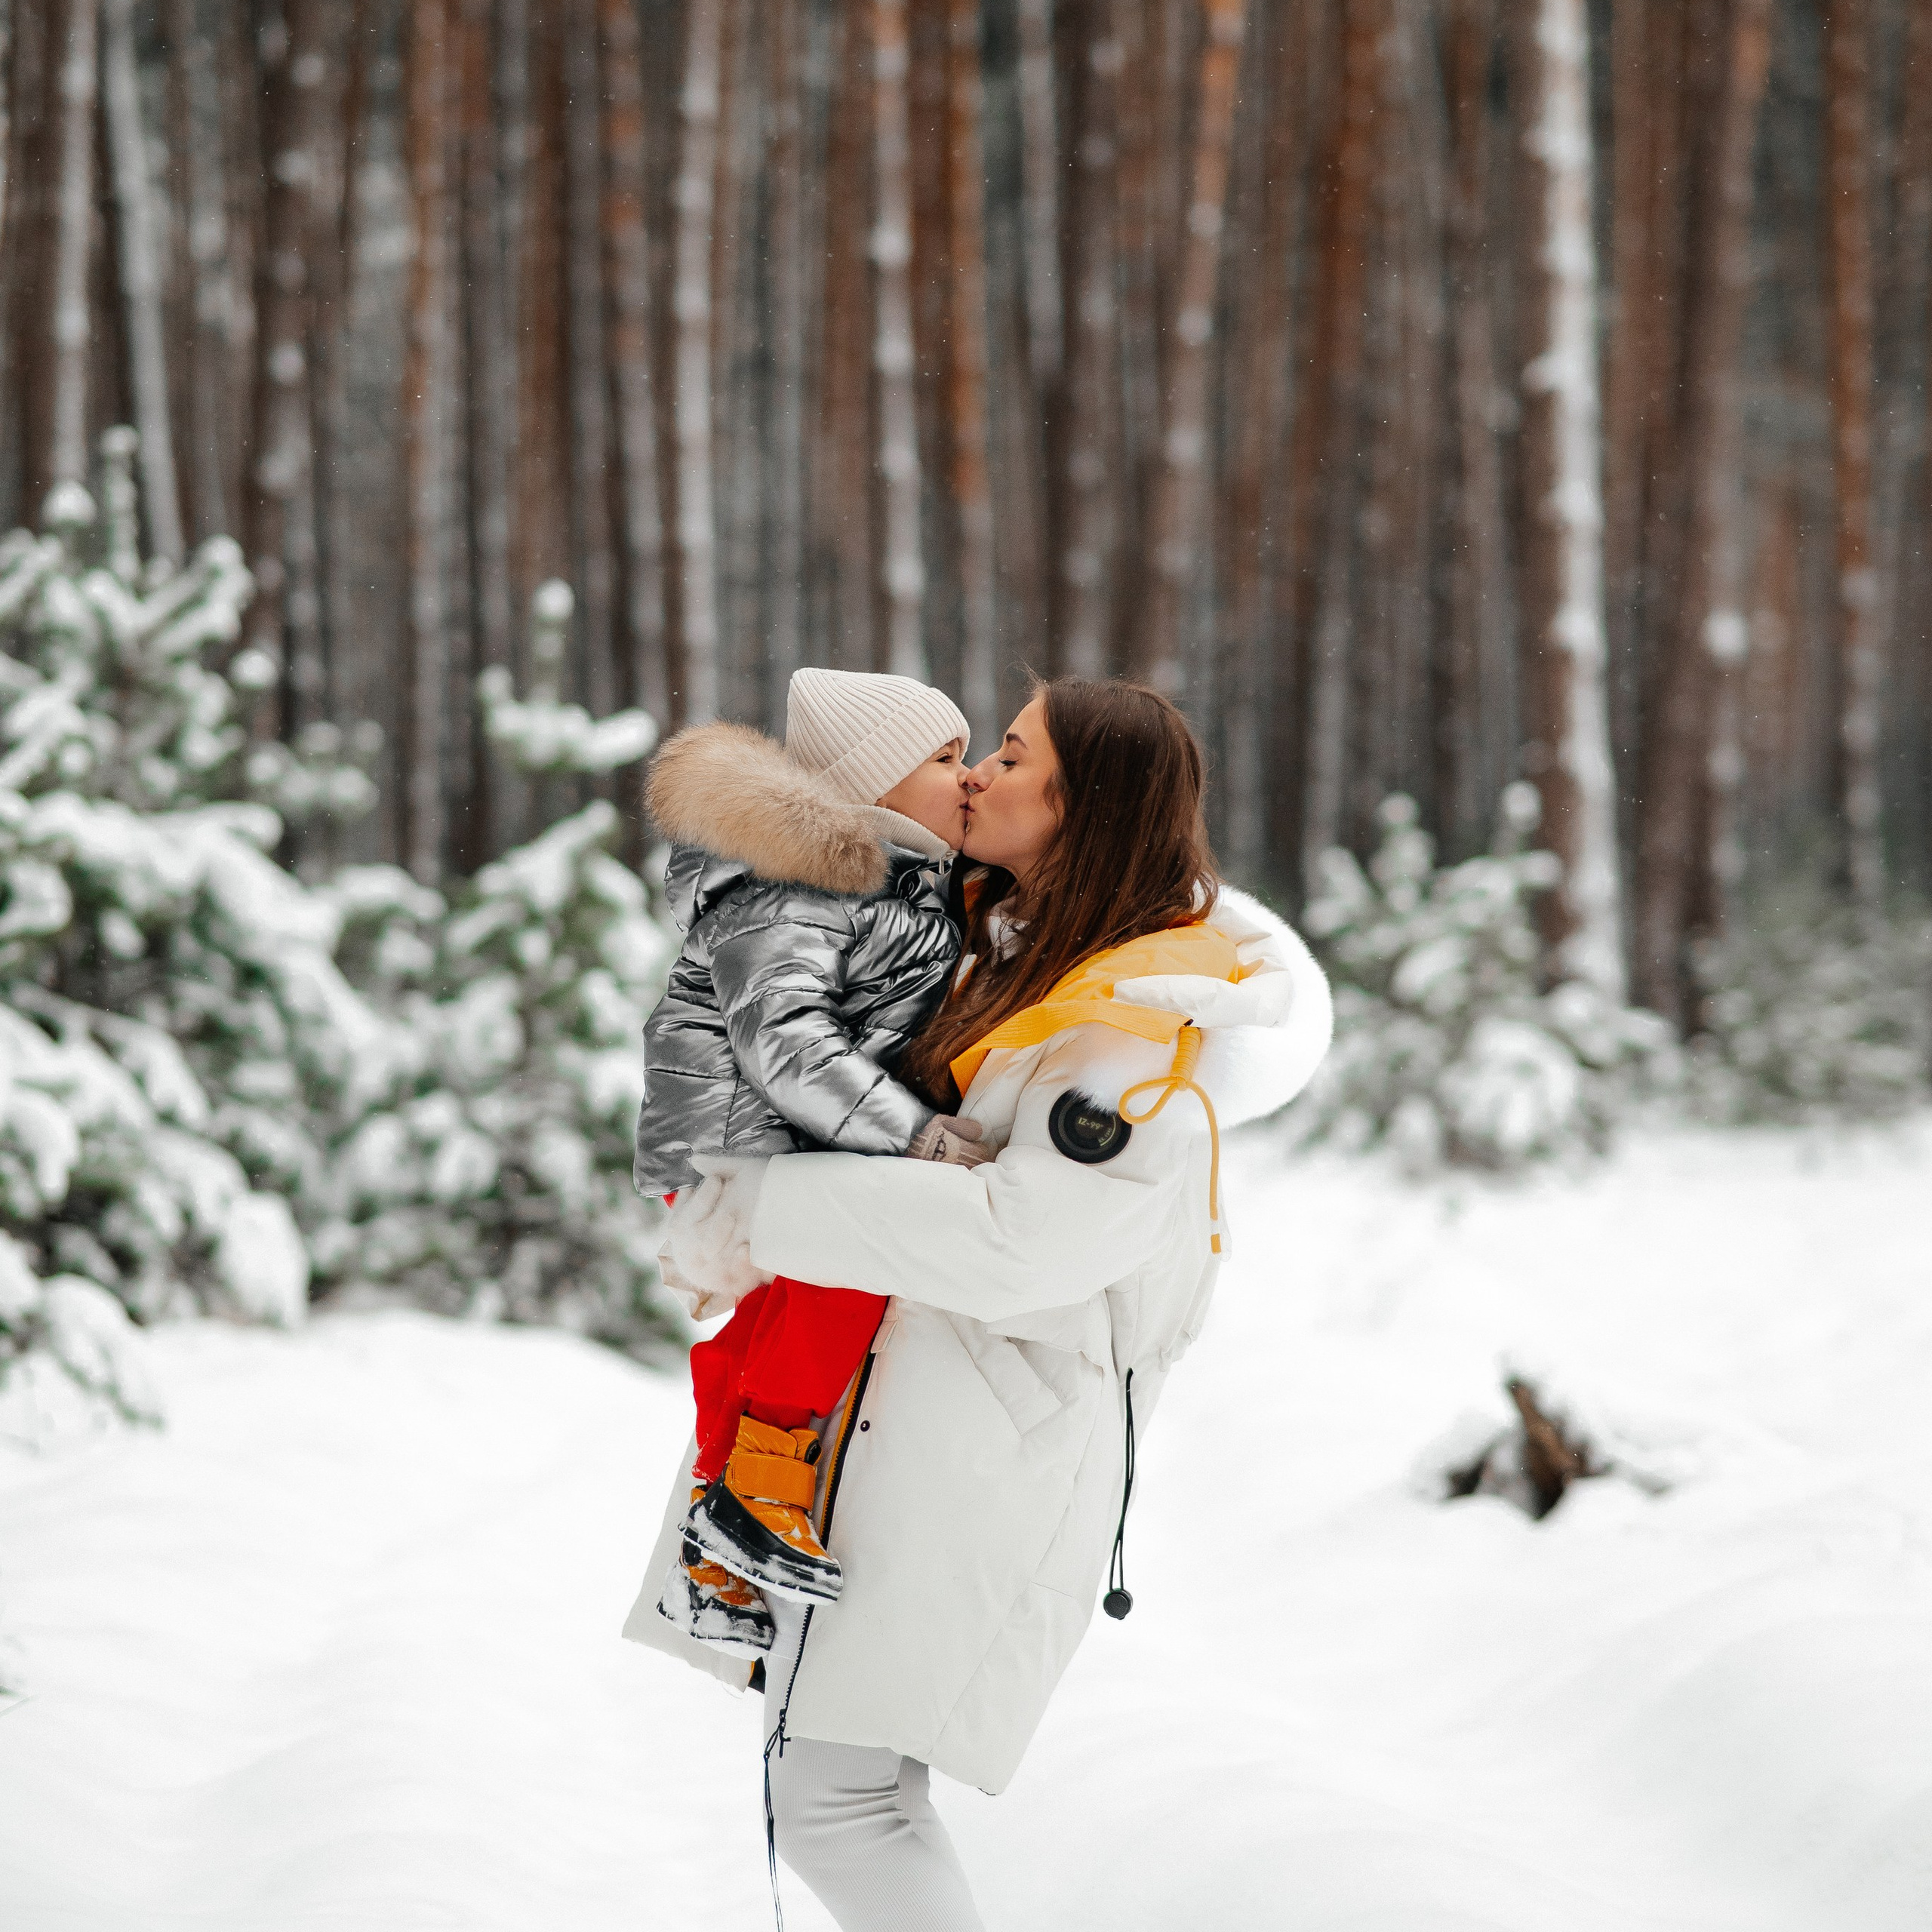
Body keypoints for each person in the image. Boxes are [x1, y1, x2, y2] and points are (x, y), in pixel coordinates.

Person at [625, 677, 1333, 1932]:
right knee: (840, 1787)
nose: (979, 776)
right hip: (937, 1422)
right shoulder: (1014, 944)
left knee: (840, 1799)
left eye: (1011, 755)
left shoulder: (1131, 1035)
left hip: (989, 1444)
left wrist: (764, 1211)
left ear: (1084, 811)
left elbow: (1024, 1244)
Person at [635, 666, 992, 1662]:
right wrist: (914, 1132)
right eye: (945, 758)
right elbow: (785, 1046)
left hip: (789, 1131)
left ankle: (715, 1551)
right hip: (748, 1132)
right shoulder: (800, 883)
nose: (968, 778)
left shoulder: (902, 872)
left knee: (775, 1309)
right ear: (874, 784)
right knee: (849, 1271)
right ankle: (761, 1483)